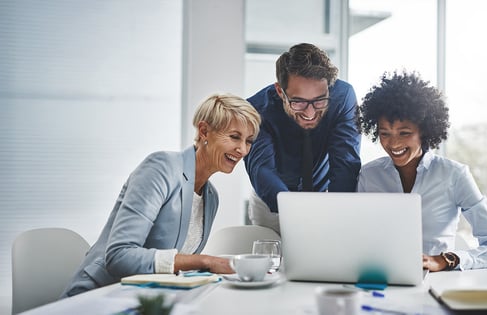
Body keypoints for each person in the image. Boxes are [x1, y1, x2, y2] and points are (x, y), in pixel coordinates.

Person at [61, 93, 261, 297]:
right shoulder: (161, 168)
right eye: (235, 137)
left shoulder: (211, 197)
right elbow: (119, 256)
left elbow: (174, 270)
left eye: (249, 141)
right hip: (99, 296)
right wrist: (207, 262)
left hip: (150, 301)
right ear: (204, 131)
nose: (243, 149)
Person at [357, 70, 487, 271]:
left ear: (425, 131)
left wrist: (444, 260)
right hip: (380, 278)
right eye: (385, 133)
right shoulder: (369, 176)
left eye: (404, 133)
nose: (393, 143)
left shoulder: (454, 175)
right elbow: (356, 236)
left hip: (437, 283)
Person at [244, 43, 361, 234]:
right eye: (298, 102)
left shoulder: (343, 97)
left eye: (319, 100)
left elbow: (345, 163)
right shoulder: (255, 109)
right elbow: (262, 170)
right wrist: (298, 215)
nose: (310, 112)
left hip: (324, 198)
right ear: (280, 91)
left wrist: (338, 213)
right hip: (272, 205)